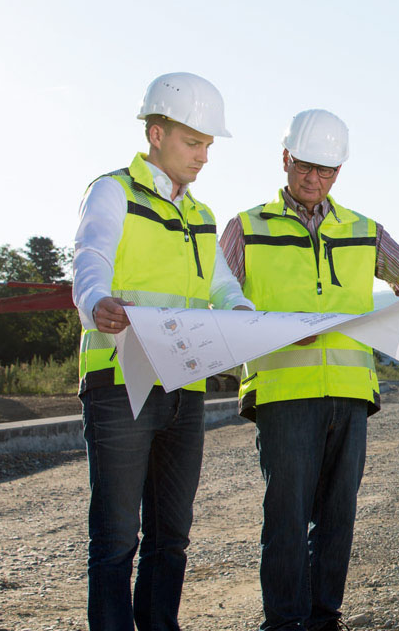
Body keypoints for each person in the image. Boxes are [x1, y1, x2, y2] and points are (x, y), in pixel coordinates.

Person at [219, 108, 399, 631]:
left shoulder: (364, 231)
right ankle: (285, 621)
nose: (314, 179)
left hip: (350, 390)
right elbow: (217, 294)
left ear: (339, 171)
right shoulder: (246, 228)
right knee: (288, 519)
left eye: (327, 170)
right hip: (282, 392)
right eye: (305, 166)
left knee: (338, 518)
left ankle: (323, 618)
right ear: (286, 158)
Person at [72, 72, 254, 631]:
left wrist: (245, 317)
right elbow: (91, 254)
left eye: (208, 146)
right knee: (117, 536)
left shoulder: (201, 216)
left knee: (171, 534)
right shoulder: (114, 190)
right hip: (118, 380)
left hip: (184, 383)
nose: (204, 157)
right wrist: (94, 300)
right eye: (193, 143)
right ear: (156, 133)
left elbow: (222, 286)